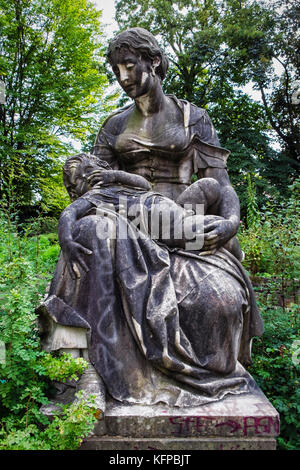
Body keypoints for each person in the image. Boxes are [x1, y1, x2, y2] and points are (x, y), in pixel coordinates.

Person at [38, 28, 263, 411]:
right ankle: (85, 371)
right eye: (116, 70)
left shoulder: (193, 118)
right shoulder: (113, 125)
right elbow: (94, 189)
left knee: (217, 305)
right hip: (128, 220)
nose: (123, 78)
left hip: (187, 224)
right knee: (89, 232)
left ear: (153, 61)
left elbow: (220, 186)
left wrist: (229, 224)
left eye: (129, 66)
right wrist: (74, 214)